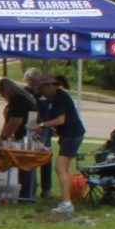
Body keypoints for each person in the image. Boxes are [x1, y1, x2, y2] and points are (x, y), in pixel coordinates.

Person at [31, 74, 86, 215]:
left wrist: (42, 125)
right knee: (63, 168)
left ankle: (67, 203)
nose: (42, 92)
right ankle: (66, 201)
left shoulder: (60, 97)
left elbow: (61, 120)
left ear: (50, 86)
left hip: (73, 134)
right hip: (68, 135)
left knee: (60, 167)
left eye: (42, 88)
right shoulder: (54, 98)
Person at [0, 76, 37, 199]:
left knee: (25, 166)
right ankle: (27, 194)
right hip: (29, 134)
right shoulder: (24, 98)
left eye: (2, 94)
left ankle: (25, 195)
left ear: (6, 91)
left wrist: (3, 137)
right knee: (27, 167)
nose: (3, 97)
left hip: (26, 136)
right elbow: (8, 122)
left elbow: (15, 122)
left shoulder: (17, 101)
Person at [23, 67, 53, 198]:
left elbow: (48, 111)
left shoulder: (44, 93)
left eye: (31, 80)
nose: (29, 83)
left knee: (45, 157)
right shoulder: (25, 93)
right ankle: (31, 187)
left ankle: (46, 188)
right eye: (28, 80)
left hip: (44, 128)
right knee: (30, 156)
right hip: (29, 127)